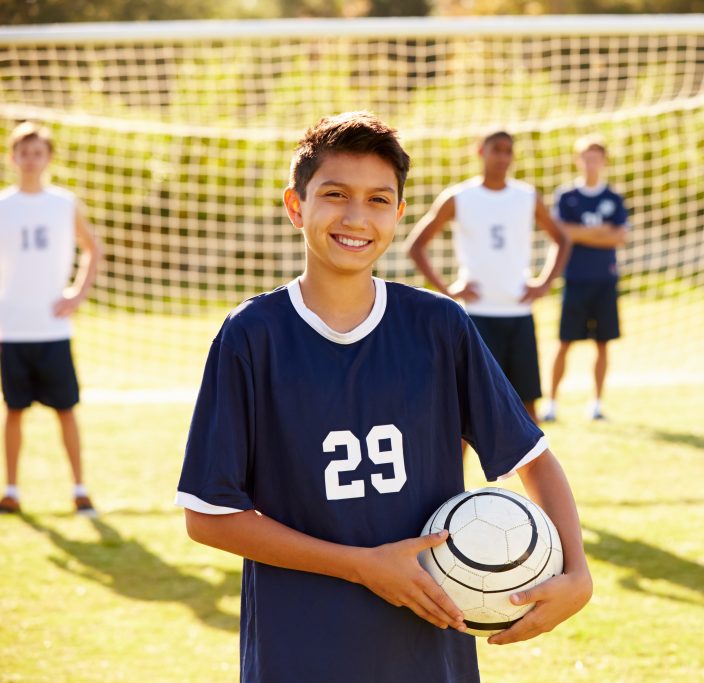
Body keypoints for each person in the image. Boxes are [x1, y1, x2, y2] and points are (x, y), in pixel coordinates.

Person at [176, 113, 592, 683]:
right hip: (300, 647)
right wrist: (362, 567)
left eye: (377, 199)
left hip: (427, 648)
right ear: (296, 206)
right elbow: (209, 516)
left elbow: (532, 458)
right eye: (334, 194)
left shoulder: (438, 325)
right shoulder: (254, 335)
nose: (355, 216)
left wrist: (578, 571)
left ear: (398, 214)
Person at [405, 130, 570, 422]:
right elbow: (416, 246)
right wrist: (448, 289)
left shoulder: (526, 196)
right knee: (468, 411)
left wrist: (544, 283)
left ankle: (527, 470)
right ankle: (455, 470)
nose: (503, 157)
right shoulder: (459, 197)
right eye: (497, 149)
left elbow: (562, 239)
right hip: (477, 316)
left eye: (509, 151)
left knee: (527, 410)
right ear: (480, 151)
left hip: (519, 313)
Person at [0, 121, 102, 516]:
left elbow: (93, 249)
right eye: (23, 152)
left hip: (53, 328)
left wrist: (77, 293)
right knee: (13, 411)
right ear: (12, 157)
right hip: (12, 328)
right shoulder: (4, 206)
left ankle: (79, 489)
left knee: (65, 409)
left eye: (37, 152)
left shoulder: (63, 203)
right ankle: (11, 490)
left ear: (48, 158)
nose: (30, 159)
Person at [541, 135, 629, 423]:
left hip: (604, 281)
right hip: (575, 279)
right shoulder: (567, 196)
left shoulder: (613, 198)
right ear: (578, 161)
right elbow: (562, 232)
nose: (591, 163)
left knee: (603, 343)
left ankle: (596, 404)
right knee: (564, 342)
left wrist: (582, 233)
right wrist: (599, 232)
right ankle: (552, 403)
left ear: (603, 161)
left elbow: (620, 236)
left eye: (596, 157)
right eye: (586, 157)